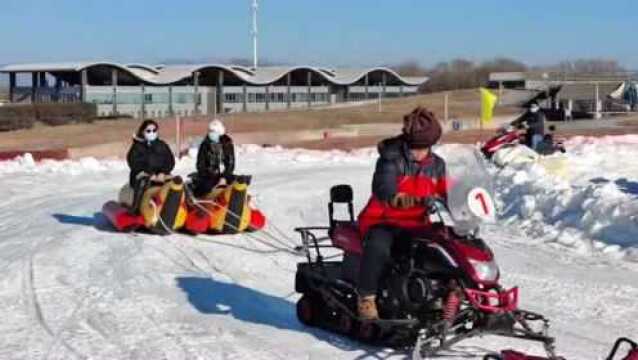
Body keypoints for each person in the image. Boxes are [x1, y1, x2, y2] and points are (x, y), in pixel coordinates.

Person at [356, 107, 447, 320]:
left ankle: (438, 294)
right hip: (382, 219)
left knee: (443, 246)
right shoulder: (390, 159)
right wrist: (398, 197)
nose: (419, 153)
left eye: (424, 147)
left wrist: (466, 202)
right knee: (379, 246)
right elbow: (383, 186)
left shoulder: (438, 165)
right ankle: (366, 297)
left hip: (417, 222)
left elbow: (448, 192)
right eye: (415, 147)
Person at [126, 119, 175, 213]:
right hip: (143, 175)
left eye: (154, 130)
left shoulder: (162, 145)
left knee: (175, 182)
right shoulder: (137, 146)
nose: (151, 133)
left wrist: (162, 172)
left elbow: (170, 161)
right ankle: (136, 209)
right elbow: (133, 162)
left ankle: (174, 209)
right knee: (143, 183)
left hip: (161, 175)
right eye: (148, 131)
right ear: (142, 131)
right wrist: (150, 173)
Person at [192, 119, 235, 197]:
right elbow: (200, 164)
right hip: (209, 176)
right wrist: (210, 174)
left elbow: (230, 163)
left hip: (224, 175)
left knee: (239, 183)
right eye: (209, 131)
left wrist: (224, 177)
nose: (211, 133)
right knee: (205, 186)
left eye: (213, 131)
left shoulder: (227, 144)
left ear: (219, 132)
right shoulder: (205, 145)